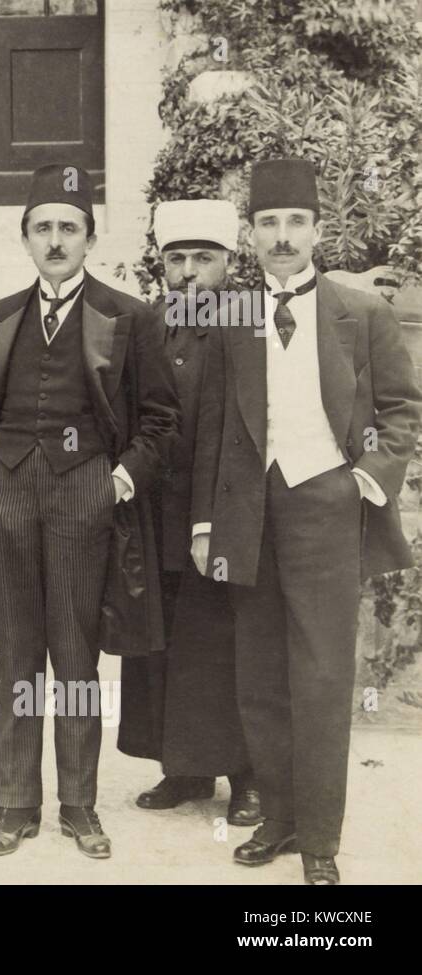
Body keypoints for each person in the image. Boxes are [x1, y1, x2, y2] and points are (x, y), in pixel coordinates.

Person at [191, 158, 422, 885]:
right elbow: (211, 427)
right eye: (268, 224)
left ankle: (320, 838)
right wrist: (204, 523)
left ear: (319, 231)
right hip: (248, 513)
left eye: (295, 223)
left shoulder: (363, 311)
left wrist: (364, 479)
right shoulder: (228, 313)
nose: (282, 237)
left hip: (327, 509)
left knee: (321, 678)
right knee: (259, 676)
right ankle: (281, 818)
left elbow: (402, 411)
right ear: (250, 234)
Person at [0, 164, 179, 860]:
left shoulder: (128, 315)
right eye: (43, 228)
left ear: (89, 238)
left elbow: (160, 419)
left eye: (68, 228)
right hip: (6, 495)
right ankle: (15, 804)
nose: (55, 241)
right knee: (19, 656)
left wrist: (120, 481)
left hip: (87, 494)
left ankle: (79, 805)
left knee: (75, 657)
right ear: (25, 238)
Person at [117, 199, 259, 827]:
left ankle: (247, 776)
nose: (190, 273)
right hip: (153, 516)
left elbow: (237, 432)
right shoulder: (145, 324)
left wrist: (212, 518)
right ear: (161, 265)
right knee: (161, 641)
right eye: (177, 259)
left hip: (220, 513)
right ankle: (183, 769)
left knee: (224, 645)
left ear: (229, 262)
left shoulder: (244, 328)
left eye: (204, 258)